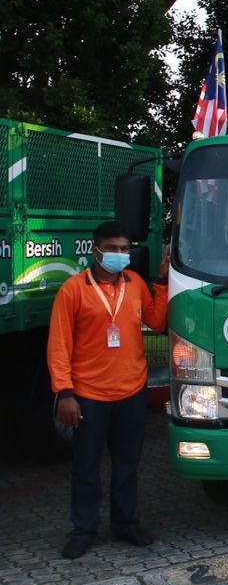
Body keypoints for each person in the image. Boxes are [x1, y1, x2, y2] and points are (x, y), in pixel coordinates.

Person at [48, 221, 169, 559]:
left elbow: (157, 322)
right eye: (113, 248)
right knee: (86, 465)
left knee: (127, 463)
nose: (120, 254)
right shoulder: (73, 290)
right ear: (95, 251)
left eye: (125, 248)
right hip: (88, 395)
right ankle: (84, 529)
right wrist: (65, 393)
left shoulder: (135, 285)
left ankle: (125, 523)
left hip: (131, 391)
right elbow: (59, 345)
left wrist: (161, 281)